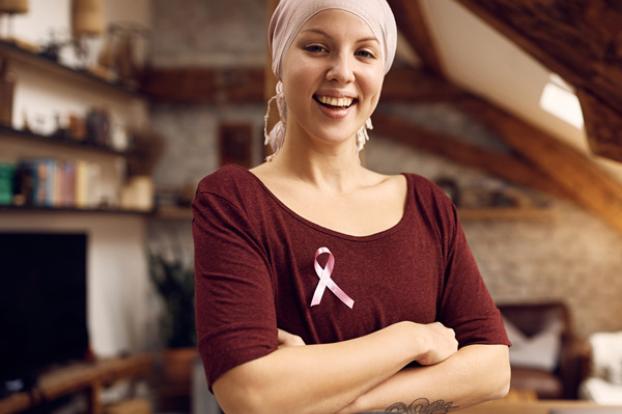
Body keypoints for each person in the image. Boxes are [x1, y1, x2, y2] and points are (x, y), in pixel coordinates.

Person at [192, 0, 511, 413]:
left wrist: (329, 397)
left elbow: (494, 368)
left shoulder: (427, 206)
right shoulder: (234, 200)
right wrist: (410, 340)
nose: (342, 72)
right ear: (280, 61)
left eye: (364, 53)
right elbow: (250, 395)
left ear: (381, 71)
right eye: (317, 47)